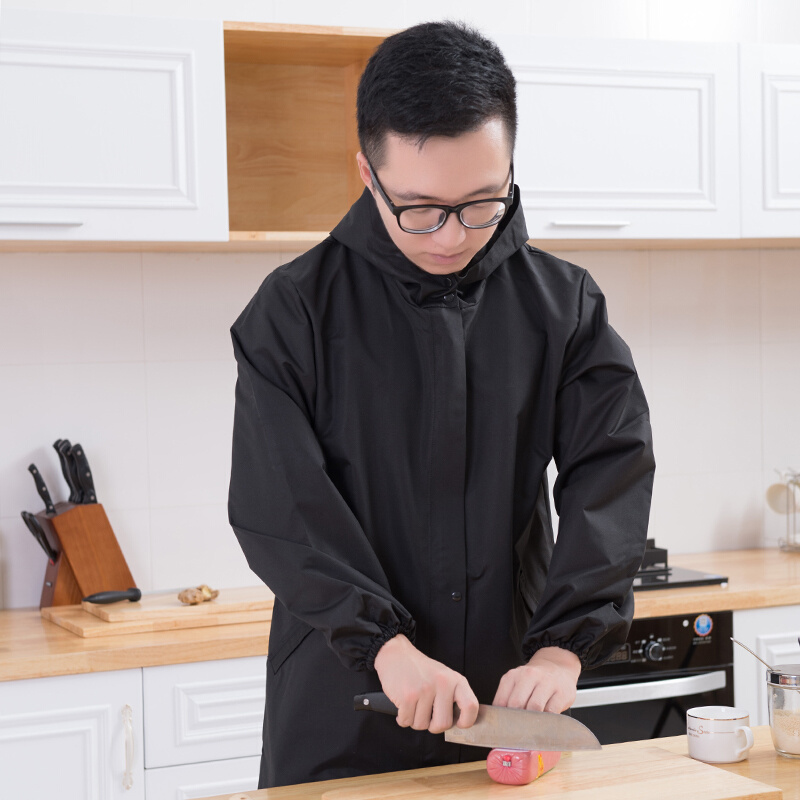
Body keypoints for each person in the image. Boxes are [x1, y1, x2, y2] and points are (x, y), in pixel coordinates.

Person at [228, 20, 655, 790]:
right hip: (344, 699)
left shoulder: (564, 306)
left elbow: (610, 469)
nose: (451, 236)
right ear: (367, 172)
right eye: (421, 208)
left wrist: (564, 645)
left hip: (509, 697)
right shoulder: (293, 311)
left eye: (482, 203)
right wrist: (383, 646)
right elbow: (280, 507)